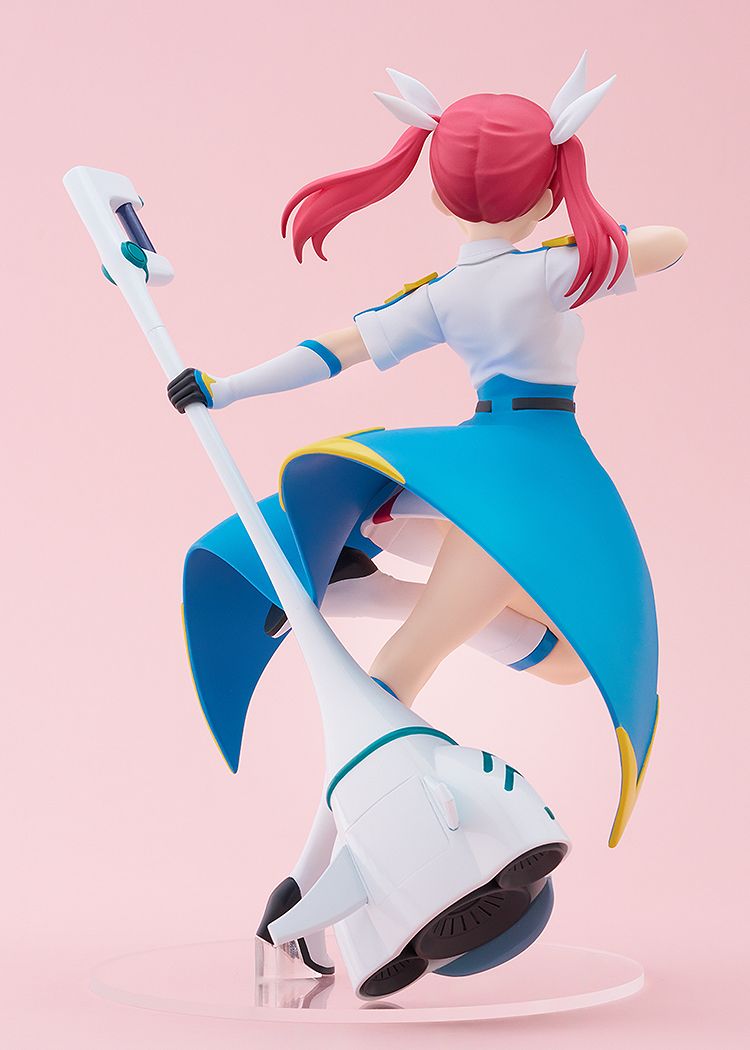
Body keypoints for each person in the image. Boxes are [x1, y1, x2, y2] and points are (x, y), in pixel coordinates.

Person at [169, 55, 686, 977]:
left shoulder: (442, 295)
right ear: (547, 189)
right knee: (401, 676)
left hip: (485, 470)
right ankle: (303, 889)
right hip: (529, 479)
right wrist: (584, 233)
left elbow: (330, 351)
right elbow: (670, 241)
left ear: (440, 197)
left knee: (566, 659)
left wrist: (223, 386)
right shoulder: (554, 268)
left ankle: (356, 591)